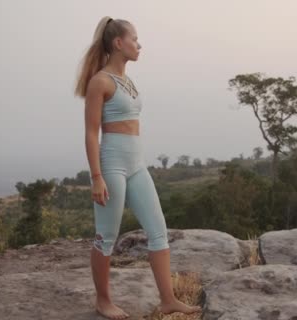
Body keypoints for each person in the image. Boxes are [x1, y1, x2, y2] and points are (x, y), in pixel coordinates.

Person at [74, 16, 202, 319]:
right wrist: (96, 177)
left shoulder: (128, 81)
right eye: (135, 39)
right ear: (119, 43)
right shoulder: (100, 82)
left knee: (159, 231)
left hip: (137, 164)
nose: (139, 44)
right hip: (112, 165)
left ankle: (168, 299)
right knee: (106, 236)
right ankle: (103, 300)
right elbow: (92, 133)